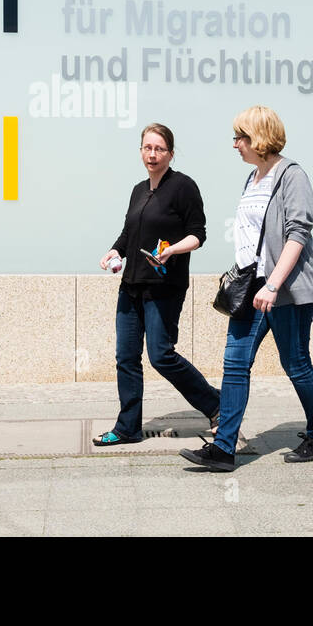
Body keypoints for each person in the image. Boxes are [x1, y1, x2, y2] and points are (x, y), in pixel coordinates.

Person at [180, 106, 313, 471]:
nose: (235, 144)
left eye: (240, 137)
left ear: (259, 138)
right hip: (252, 286)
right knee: (234, 364)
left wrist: (274, 284)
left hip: (286, 289)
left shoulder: (292, 176)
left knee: (295, 364)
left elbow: (297, 235)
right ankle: (223, 449)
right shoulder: (252, 179)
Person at [94, 123, 221, 445]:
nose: (152, 154)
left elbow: (198, 234)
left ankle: (216, 404)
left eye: (159, 149)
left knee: (161, 355)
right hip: (131, 284)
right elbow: (128, 234)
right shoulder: (139, 190)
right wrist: (113, 251)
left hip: (165, 285)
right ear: (140, 151)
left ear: (171, 154)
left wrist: (172, 250)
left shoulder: (183, 187)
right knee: (126, 357)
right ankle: (127, 428)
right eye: (147, 148)